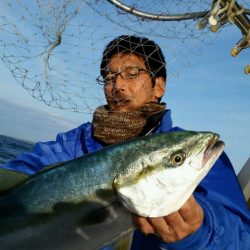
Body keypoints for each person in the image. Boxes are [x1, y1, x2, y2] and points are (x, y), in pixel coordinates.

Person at [1, 35, 249, 249]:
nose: (117, 86)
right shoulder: (74, 143)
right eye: (109, 77)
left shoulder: (191, 153)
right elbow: (20, 175)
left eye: (132, 74)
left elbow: (242, 240)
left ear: (158, 86)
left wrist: (201, 232)